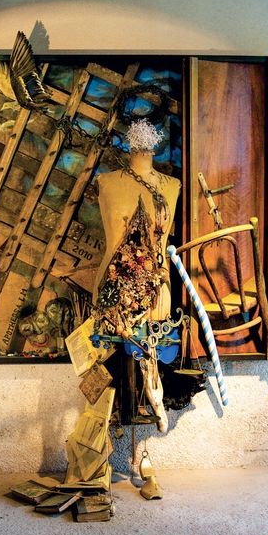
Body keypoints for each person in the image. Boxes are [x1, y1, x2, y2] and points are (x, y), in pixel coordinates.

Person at [93, 119, 181, 433]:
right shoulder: (106, 182)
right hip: (113, 292)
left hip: (156, 291)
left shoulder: (172, 185)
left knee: (150, 356)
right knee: (113, 362)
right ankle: (118, 415)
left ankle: (149, 406)